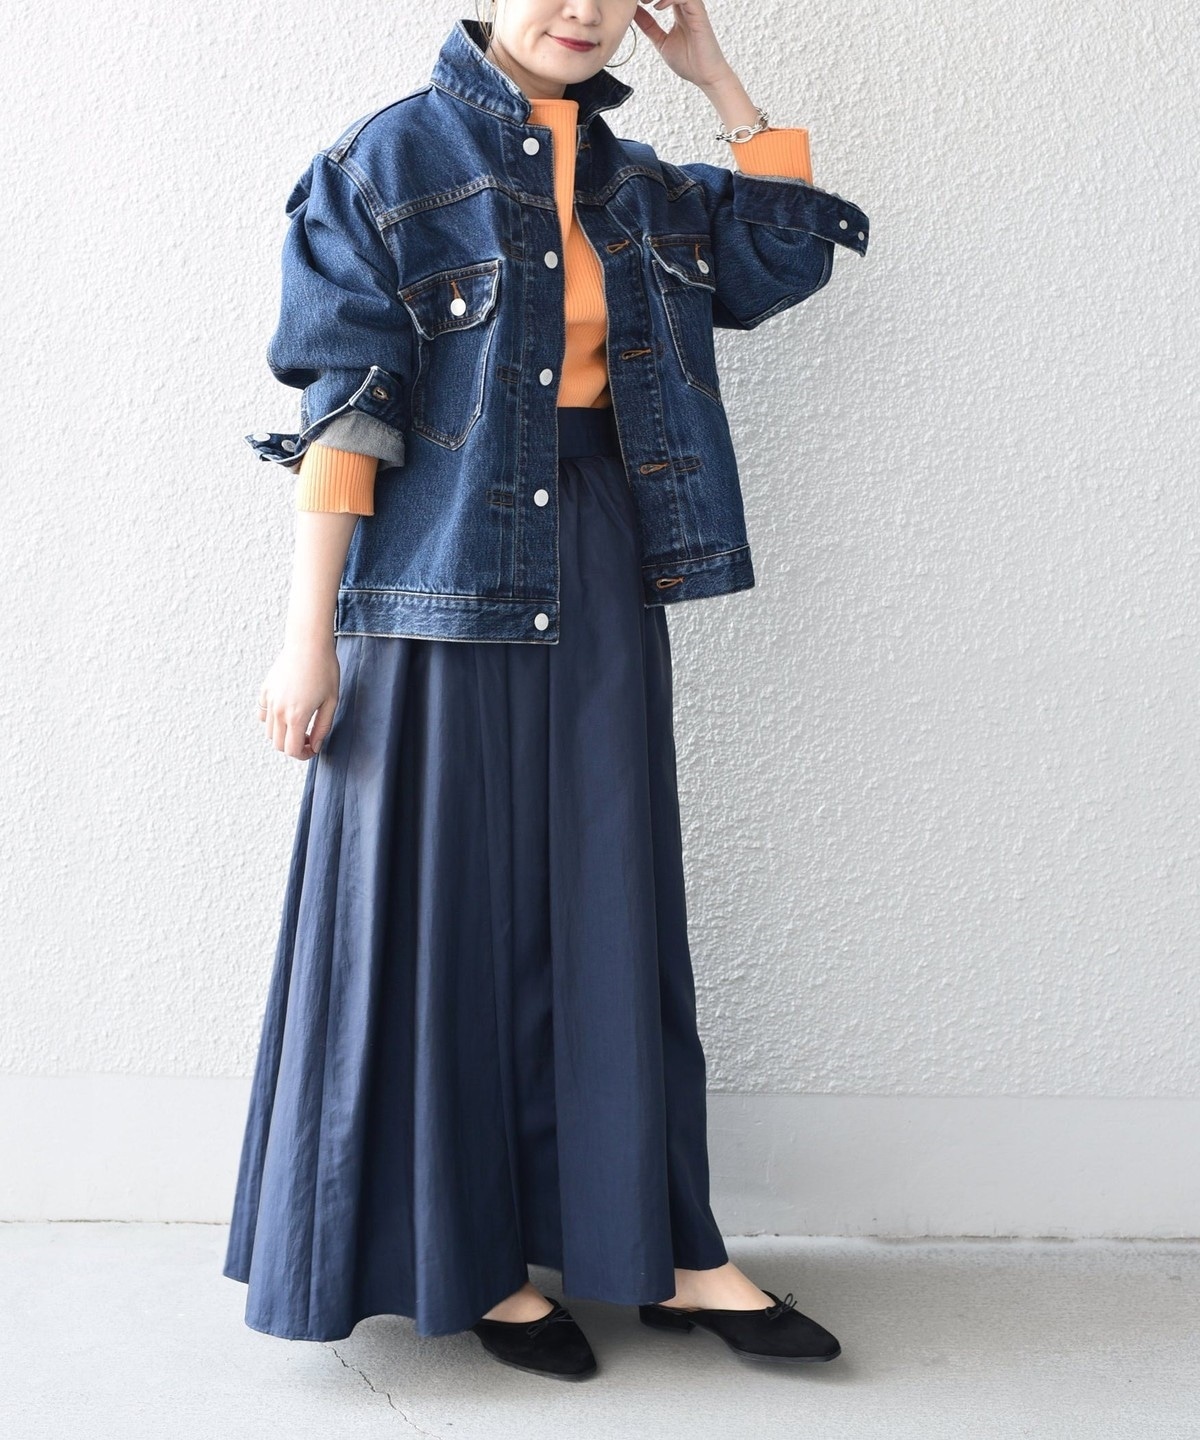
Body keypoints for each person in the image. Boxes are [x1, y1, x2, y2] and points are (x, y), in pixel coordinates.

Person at [224, 0, 869, 1381]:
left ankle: (671, 1252)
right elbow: (347, 413)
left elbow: (780, 257)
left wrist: (715, 77)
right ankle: (475, 1261)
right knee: (440, 918)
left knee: (610, 904)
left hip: (600, 557)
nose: (582, 8)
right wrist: (307, 636)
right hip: (435, 580)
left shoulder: (640, 185)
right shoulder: (386, 163)